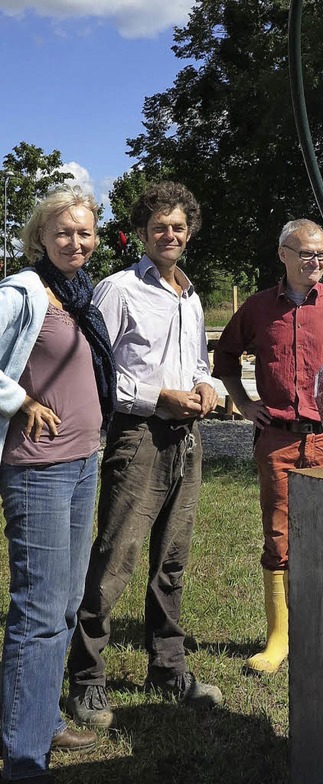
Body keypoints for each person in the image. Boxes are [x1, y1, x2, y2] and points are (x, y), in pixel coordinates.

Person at [66, 181, 222, 729]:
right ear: (140, 233)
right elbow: (95, 370)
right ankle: (85, 681)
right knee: (116, 559)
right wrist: (158, 398)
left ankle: (168, 666)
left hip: (188, 439)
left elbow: (197, 363)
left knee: (172, 561)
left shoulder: (190, 293)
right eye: (159, 226)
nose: (170, 233)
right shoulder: (118, 289)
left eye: (178, 225)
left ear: (190, 230)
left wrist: (205, 389)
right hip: (139, 438)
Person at [213, 218, 323, 674]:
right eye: (306, 253)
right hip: (278, 442)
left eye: (322, 254)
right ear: (283, 254)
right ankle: (279, 638)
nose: (317, 261)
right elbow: (225, 356)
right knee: (280, 536)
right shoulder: (257, 308)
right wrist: (244, 403)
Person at [0, 185, 116, 782]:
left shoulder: (79, 295)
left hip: (83, 461)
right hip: (38, 470)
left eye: (86, 232)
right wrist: (19, 400)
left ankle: (40, 723)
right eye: (64, 232)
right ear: (40, 237)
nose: (77, 242)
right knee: (39, 611)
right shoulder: (22, 291)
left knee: (65, 604)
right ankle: (23, 758)